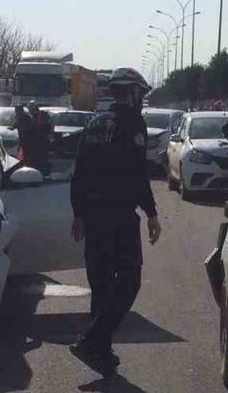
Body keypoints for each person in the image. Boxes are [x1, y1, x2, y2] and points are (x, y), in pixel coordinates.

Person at [69, 67, 163, 376]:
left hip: (94, 217)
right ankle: (93, 341)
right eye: (140, 94)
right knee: (129, 282)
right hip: (118, 218)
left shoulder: (95, 123)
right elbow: (137, 175)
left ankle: (100, 351)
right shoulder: (133, 123)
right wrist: (151, 213)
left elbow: (80, 171)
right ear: (133, 93)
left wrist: (78, 213)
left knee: (102, 285)